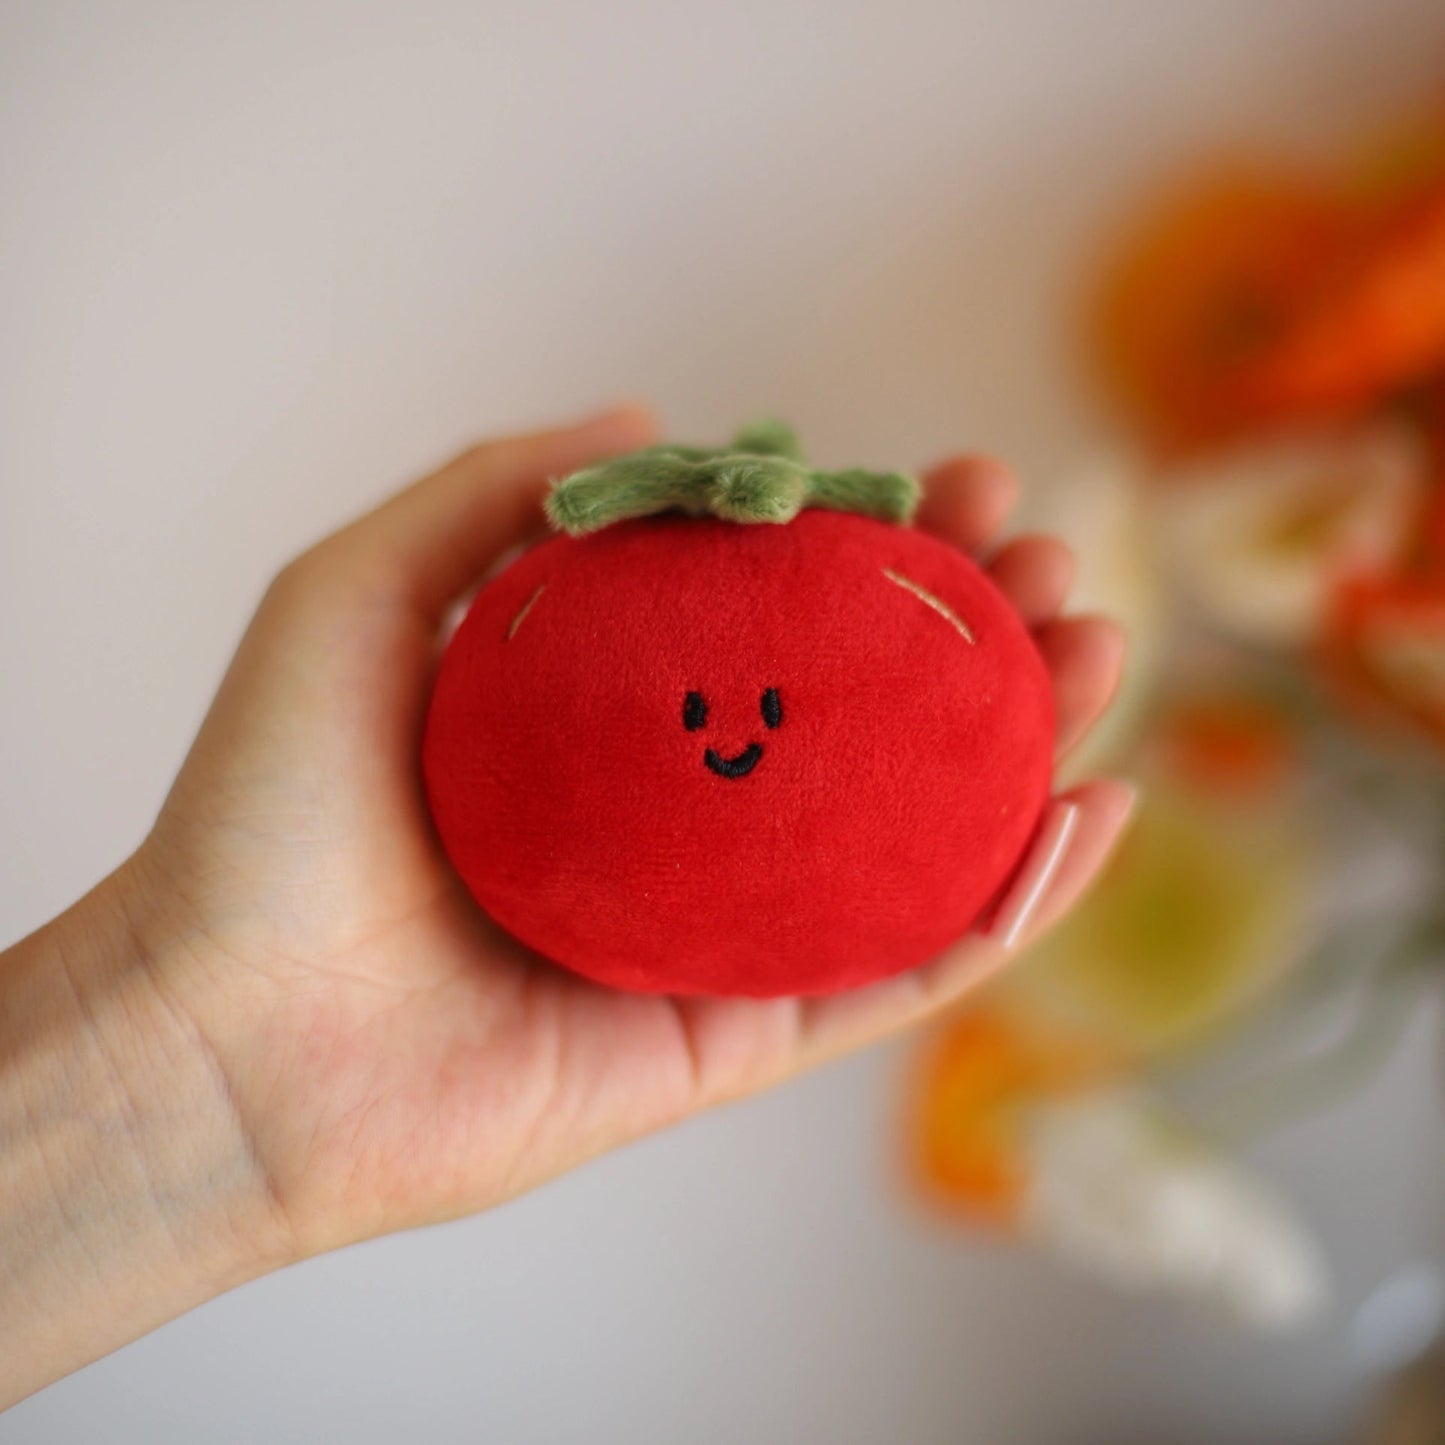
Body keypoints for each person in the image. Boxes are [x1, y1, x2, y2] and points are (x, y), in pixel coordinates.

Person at [0, 405, 1130, 1408]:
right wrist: (186, 1072)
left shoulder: (563, 597)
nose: (727, 724)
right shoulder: (585, 604)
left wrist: (180, 1081)